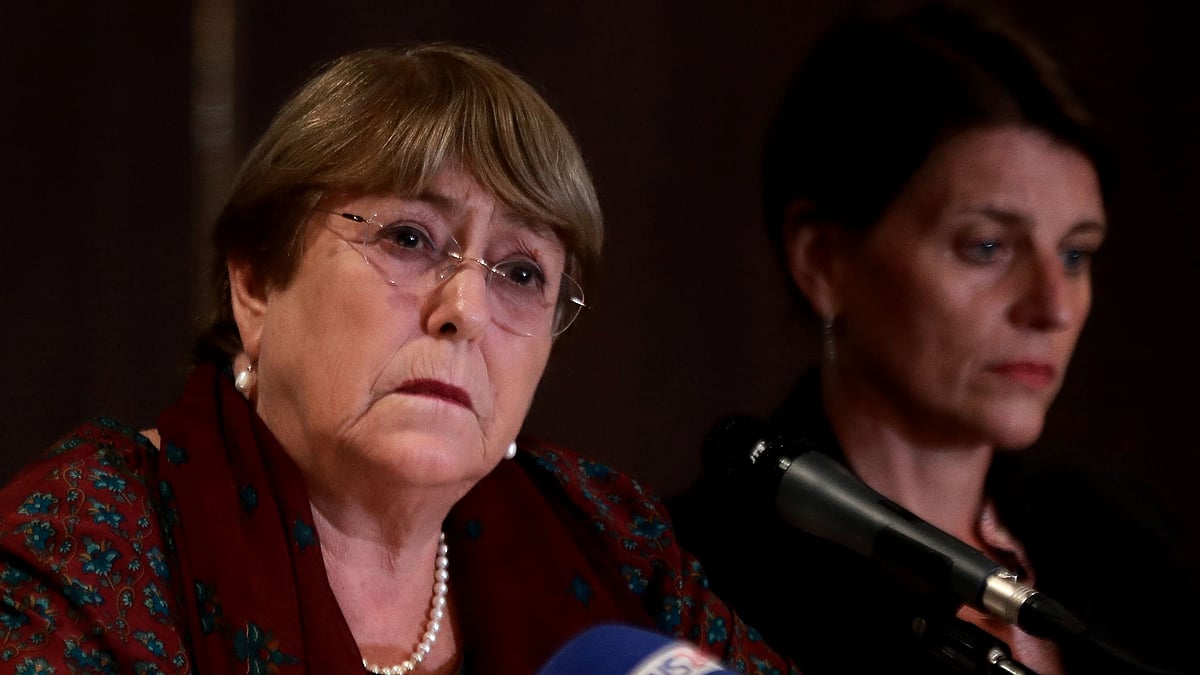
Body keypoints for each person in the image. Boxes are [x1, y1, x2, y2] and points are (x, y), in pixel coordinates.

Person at [0, 44, 799, 674]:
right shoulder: (90, 540)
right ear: (256, 283)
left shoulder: (615, 543)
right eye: (409, 237)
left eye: (522, 273)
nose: (466, 309)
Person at [669, 2, 1199, 674]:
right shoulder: (696, 576)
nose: (1054, 307)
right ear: (823, 261)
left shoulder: (1125, 541)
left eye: (1075, 254)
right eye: (987, 246)